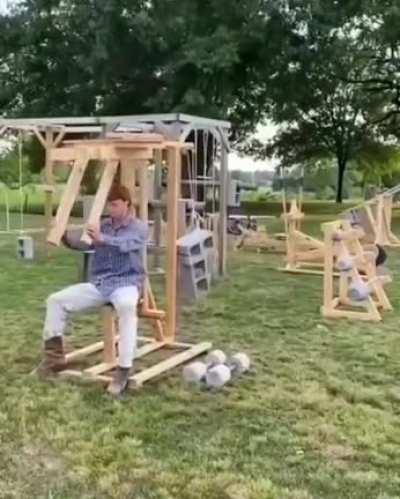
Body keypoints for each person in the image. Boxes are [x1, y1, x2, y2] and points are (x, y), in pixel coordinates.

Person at [38, 184, 149, 397]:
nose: (111, 209)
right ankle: (54, 359)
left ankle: (123, 369)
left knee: (126, 307)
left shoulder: (139, 227)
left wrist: (102, 239)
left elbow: (127, 244)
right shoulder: (103, 225)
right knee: (55, 300)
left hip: (126, 282)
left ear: (127, 204)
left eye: (115, 205)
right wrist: (64, 236)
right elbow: (84, 245)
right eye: (109, 205)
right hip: (100, 284)